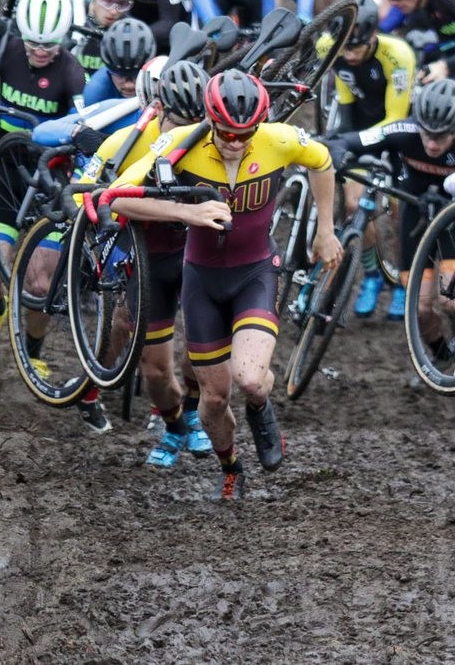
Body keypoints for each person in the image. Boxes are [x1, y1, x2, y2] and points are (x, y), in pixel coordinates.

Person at [109, 70, 343, 500]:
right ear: (210, 120)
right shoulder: (181, 143)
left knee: (250, 379)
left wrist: (325, 229)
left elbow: (323, 161)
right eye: (226, 133)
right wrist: (186, 213)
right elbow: (116, 196)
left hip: (255, 270)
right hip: (201, 278)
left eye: (244, 134)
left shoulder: (280, 138)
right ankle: (231, 465)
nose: (235, 142)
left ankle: (260, 406)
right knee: (214, 400)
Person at [0, 0, 109, 431]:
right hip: (5, 176)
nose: (38, 52)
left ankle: (33, 352)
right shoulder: (7, 52)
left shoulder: (71, 73)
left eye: (48, 45)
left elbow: (85, 132)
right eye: (32, 42)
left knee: (38, 285)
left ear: (63, 42)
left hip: (48, 185)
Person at [81, 59, 215, 465]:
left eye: (198, 118)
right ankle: (174, 426)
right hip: (149, 260)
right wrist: (114, 230)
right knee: (155, 370)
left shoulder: (215, 141)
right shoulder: (126, 141)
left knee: (201, 352)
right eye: (178, 119)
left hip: (199, 256)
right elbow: (85, 193)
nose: (187, 130)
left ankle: (190, 415)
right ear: (158, 108)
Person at [326, 79, 455, 337]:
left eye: (441, 137)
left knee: (452, 303)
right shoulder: (403, 130)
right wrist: (338, 154)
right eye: (426, 134)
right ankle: (439, 360)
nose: (432, 144)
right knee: (420, 309)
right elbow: (346, 140)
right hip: (415, 213)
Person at [320, 0, 416, 317]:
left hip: (398, 131)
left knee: (401, 213)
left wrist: (350, 140)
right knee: (353, 204)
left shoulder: (397, 55)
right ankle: (373, 276)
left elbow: (395, 120)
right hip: (358, 125)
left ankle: (405, 281)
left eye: (356, 47)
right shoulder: (327, 46)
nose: (348, 55)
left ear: (373, 35)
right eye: (343, 47)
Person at [71, 0, 144, 78]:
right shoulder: (72, 15)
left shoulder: (131, 31)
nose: (114, 11)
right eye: (107, 1)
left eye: (123, 4)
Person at [83, 16, 157, 107]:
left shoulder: (160, 81)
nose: (129, 85)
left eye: (136, 75)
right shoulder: (94, 93)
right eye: (120, 75)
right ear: (109, 70)